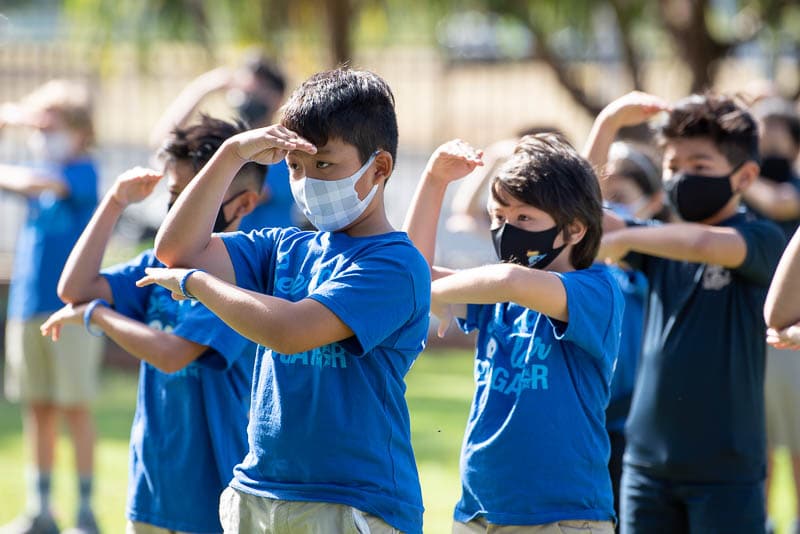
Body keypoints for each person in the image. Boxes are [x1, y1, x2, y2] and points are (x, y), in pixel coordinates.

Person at [135, 68, 431, 534]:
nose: (307, 180)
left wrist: (195, 284)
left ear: (380, 168)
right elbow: (175, 251)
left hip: (351, 502)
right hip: (261, 491)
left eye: (325, 166)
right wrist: (232, 153)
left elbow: (291, 332)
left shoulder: (396, 264)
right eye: (295, 166)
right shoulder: (284, 247)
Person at [40, 116, 263, 534]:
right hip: (153, 489)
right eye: (176, 195)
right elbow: (74, 288)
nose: (179, 209)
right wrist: (115, 202)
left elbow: (172, 354)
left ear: (244, 204)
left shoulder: (239, 277)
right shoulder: (157, 266)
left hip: (216, 495)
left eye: (196, 196)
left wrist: (96, 316)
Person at [587, 91, 786, 533]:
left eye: (700, 167)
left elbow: (704, 244)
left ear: (744, 176)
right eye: (672, 167)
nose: (681, 178)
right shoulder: (656, 242)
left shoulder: (761, 238)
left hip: (727, 472)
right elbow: (585, 216)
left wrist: (629, 237)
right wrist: (608, 123)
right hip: (647, 468)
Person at [404, 135, 623, 533]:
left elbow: (508, 280)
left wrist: (422, 290)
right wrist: (435, 181)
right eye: (499, 217)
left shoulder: (597, 291)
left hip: (563, 518)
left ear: (574, 230)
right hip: (479, 512)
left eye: (524, 219)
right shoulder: (493, 294)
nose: (507, 231)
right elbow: (410, 272)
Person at [0, 80, 101, 534]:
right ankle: (41, 508)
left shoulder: (82, 172)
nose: (44, 135)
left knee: (74, 407)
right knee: (36, 408)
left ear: (80, 131)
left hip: (73, 310)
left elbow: (33, 179)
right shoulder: (40, 172)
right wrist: (18, 118)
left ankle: (84, 510)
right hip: (27, 306)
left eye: (52, 125)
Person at [589, 139, 666, 529]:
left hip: (630, 431)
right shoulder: (578, 271)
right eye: (597, 198)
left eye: (617, 196)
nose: (605, 209)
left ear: (653, 203)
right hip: (584, 425)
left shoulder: (651, 268)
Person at [739, 96, 800, 534]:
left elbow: (782, 202)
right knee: (754, 444)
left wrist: (738, 178)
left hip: (791, 339)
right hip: (747, 337)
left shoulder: (782, 189)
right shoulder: (739, 207)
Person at [149, 52, 297, 232]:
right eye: (244, 90)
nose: (247, 97)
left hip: (267, 256)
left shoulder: (285, 149)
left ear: (277, 98)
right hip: (221, 254)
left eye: (255, 91)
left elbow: (232, 188)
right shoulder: (226, 145)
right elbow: (164, 146)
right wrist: (202, 89)